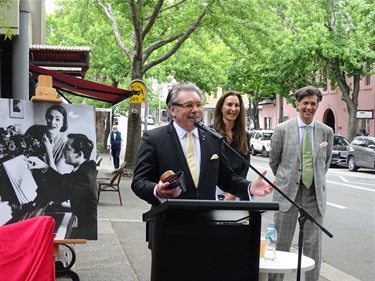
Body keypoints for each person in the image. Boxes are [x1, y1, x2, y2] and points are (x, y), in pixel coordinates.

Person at [131, 81, 273, 206]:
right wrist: (157, 190)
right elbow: (139, 181)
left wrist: (249, 187)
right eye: (189, 105)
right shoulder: (154, 138)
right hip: (168, 222)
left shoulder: (212, 138)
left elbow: (226, 178)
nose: (196, 110)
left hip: (206, 221)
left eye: (199, 105)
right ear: (172, 109)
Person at [268, 85, 333, 281]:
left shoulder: (326, 132)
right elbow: (274, 161)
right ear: (297, 105)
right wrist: (288, 179)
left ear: (317, 105)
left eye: (313, 103)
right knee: (280, 245)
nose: (309, 107)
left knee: (313, 247)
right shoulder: (282, 130)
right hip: (287, 195)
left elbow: (325, 162)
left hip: (314, 195)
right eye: (305, 103)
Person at [27, 133, 97, 240]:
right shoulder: (87, 167)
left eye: (67, 148)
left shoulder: (84, 176)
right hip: (86, 224)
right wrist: (44, 166)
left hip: (88, 231)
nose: (63, 151)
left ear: (79, 154)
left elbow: (56, 193)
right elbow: (62, 181)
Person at [212, 90, 251, 201]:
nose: (233, 109)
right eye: (229, 104)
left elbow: (245, 166)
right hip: (214, 191)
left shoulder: (245, 136)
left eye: (237, 105)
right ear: (221, 107)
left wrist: (234, 193)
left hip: (237, 192)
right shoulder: (209, 133)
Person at [25, 104, 72, 174]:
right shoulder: (34, 130)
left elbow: (56, 177)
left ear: (63, 123)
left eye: (57, 119)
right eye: (50, 117)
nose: (52, 122)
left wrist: (49, 151)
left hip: (47, 181)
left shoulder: (65, 143)